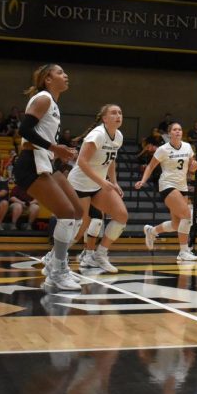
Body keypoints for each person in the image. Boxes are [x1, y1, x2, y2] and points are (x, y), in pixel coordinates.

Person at [12, 63, 82, 291]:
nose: (66, 74)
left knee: (78, 211)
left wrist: (60, 151)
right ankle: (57, 271)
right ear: (48, 79)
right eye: (60, 72)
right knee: (66, 213)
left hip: (45, 162)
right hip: (31, 163)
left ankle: (54, 259)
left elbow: (42, 136)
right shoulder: (43, 98)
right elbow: (24, 130)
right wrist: (55, 147)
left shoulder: (53, 102)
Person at [68, 104, 128, 275]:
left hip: (97, 184)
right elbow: (81, 162)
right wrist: (103, 181)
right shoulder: (97, 135)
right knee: (81, 226)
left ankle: (99, 255)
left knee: (121, 215)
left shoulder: (119, 136)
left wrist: (114, 182)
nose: (118, 115)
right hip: (79, 183)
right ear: (104, 118)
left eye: (120, 112)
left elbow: (111, 160)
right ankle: (55, 255)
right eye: (114, 113)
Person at [135, 122, 197, 263]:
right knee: (187, 215)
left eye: (180, 129)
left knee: (177, 224)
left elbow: (191, 168)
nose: (178, 132)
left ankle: (152, 231)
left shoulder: (187, 147)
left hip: (183, 186)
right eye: (175, 130)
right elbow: (150, 167)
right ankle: (183, 251)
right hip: (167, 185)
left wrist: (195, 166)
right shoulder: (163, 149)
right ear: (169, 133)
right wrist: (143, 180)